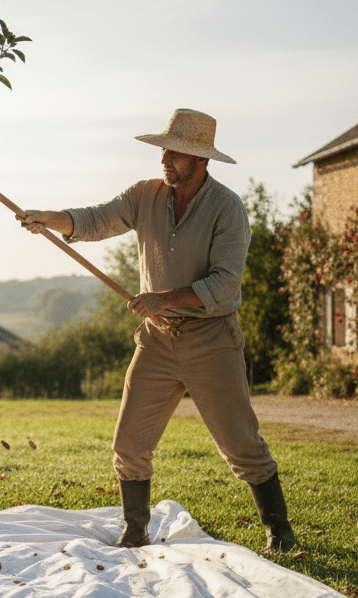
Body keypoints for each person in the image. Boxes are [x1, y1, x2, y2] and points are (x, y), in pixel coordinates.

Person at [18, 108, 296, 553]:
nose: (165, 157)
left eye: (176, 151)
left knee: (241, 444)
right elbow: (97, 219)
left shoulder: (228, 209)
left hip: (212, 340)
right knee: (129, 443)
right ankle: (135, 528)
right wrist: (51, 217)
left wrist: (162, 298)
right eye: (165, 148)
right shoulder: (143, 196)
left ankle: (279, 531)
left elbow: (225, 283)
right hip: (157, 340)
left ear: (201, 160)